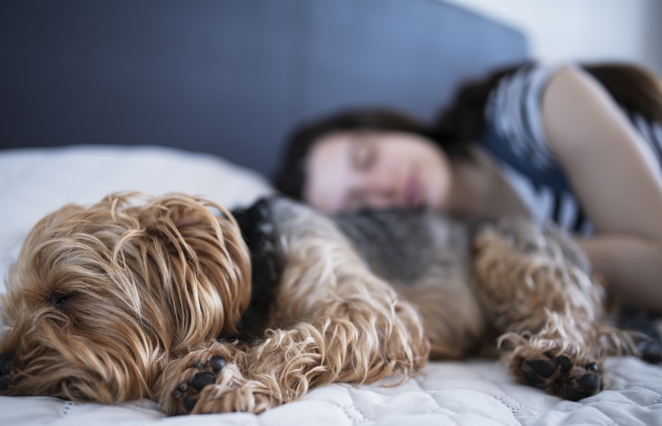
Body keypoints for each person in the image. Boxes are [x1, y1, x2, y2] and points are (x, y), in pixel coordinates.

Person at [274, 62, 662, 314]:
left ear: (386, 126)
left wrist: (509, 262)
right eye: (358, 205)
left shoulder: (531, 106)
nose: (383, 187)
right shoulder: (455, 286)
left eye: (367, 158)